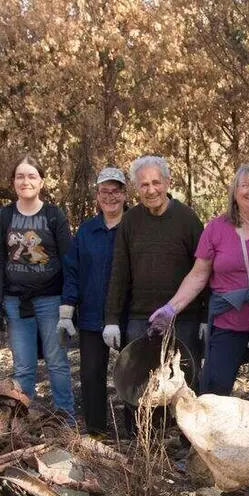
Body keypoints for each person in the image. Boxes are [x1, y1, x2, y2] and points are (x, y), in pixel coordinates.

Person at [155, 164, 249, 405]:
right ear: (234, 192)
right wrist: (171, 308)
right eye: (244, 185)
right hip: (228, 322)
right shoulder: (216, 228)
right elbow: (198, 275)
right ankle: (207, 441)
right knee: (215, 389)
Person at [0, 155, 76, 422]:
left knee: (57, 362)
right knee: (23, 367)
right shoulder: (5, 216)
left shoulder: (53, 215)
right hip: (17, 301)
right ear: (14, 182)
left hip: (51, 299)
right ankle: (22, 422)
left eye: (31, 176)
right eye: (20, 176)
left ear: (41, 182)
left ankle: (66, 420)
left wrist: (68, 302)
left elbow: (69, 259)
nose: (25, 181)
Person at [103, 156, 205, 368]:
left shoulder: (188, 219)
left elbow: (203, 270)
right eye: (144, 185)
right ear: (136, 188)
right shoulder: (130, 221)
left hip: (184, 320)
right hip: (141, 320)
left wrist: (205, 316)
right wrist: (111, 320)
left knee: (184, 388)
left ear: (167, 182)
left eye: (156, 183)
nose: (151, 190)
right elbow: (119, 273)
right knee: (141, 390)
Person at [59, 167, 127, 435]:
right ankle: (97, 430)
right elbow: (72, 272)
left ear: (124, 194)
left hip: (127, 315)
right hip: (90, 316)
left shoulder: (134, 226)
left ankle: (135, 431)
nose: (110, 197)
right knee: (90, 375)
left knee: (132, 373)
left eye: (116, 191)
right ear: (97, 195)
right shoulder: (87, 231)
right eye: (104, 191)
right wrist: (67, 312)